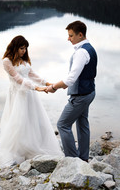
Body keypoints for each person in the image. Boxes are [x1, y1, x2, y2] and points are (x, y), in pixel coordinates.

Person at [0, 35, 63, 168]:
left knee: (33, 119)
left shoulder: (23, 60)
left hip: (29, 94)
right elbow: (18, 79)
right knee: (18, 121)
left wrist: (47, 83)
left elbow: (32, 74)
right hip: (18, 95)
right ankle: (19, 149)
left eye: (25, 48)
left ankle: (33, 144)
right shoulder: (7, 61)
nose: (24, 51)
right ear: (15, 47)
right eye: (22, 48)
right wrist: (37, 88)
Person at [45, 20, 97, 162]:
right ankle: (83, 158)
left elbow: (70, 79)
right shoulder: (89, 48)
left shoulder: (81, 52)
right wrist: (64, 83)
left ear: (80, 35)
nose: (68, 39)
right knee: (82, 124)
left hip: (81, 96)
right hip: (89, 92)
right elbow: (76, 76)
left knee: (63, 124)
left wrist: (54, 87)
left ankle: (72, 160)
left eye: (71, 35)